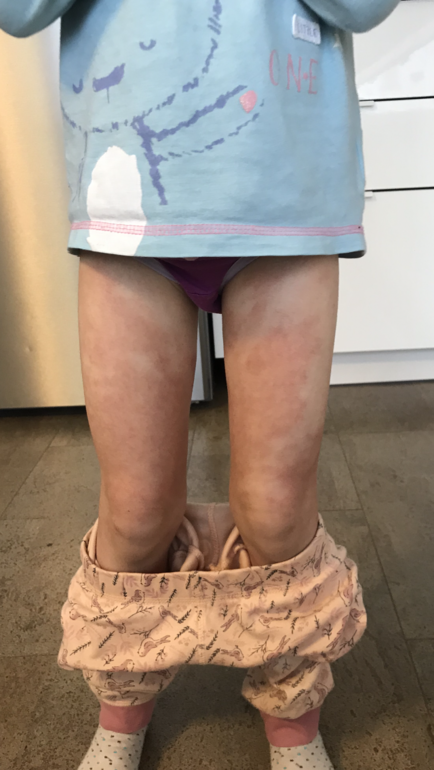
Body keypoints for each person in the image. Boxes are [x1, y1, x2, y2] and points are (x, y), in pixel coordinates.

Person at [1, 1, 400, 768]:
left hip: (286, 195)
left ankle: (292, 713)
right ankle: (123, 702)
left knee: (277, 510)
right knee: (136, 513)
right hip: (129, 205)